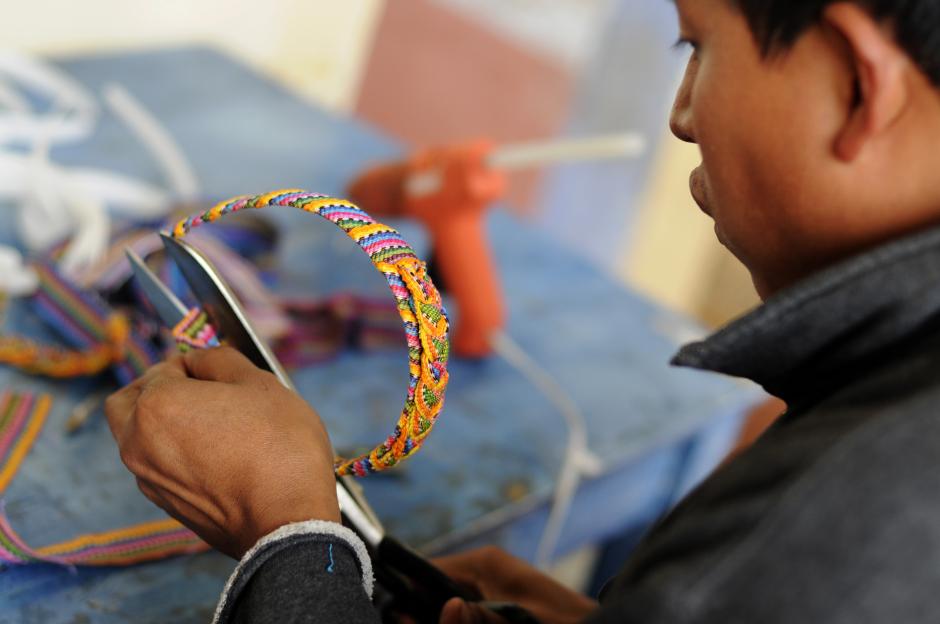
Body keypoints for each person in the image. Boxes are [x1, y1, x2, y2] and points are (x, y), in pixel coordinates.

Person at [105, 0, 940, 621]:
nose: (681, 115)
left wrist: (288, 540)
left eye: (699, 46)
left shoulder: (843, 514)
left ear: (862, 89)